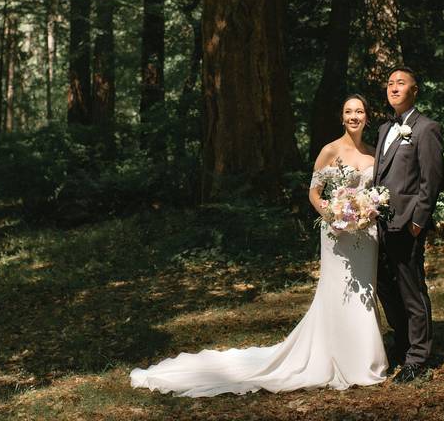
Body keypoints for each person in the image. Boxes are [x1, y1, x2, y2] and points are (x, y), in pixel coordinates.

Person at [130, 95, 387, 396]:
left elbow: (377, 194)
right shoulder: (329, 150)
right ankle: (336, 357)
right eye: (348, 111)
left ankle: (363, 356)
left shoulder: (374, 155)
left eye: (359, 111)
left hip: (366, 235)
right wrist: (332, 215)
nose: (354, 116)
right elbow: (314, 193)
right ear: (341, 117)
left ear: (367, 117)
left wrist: (367, 209)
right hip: (336, 234)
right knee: (336, 290)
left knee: (364, 291)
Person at [373, 66, 444, 383]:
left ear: (415, 90)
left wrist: (418, 221)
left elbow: (431, 180)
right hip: (380, 223)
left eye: (401, 83)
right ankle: (401, 343)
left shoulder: (426, 128)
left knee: (412, 291)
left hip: (407, 224)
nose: (394, 87)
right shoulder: (382, 130)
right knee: (387, 289)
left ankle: (417, 357)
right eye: (390, 83)